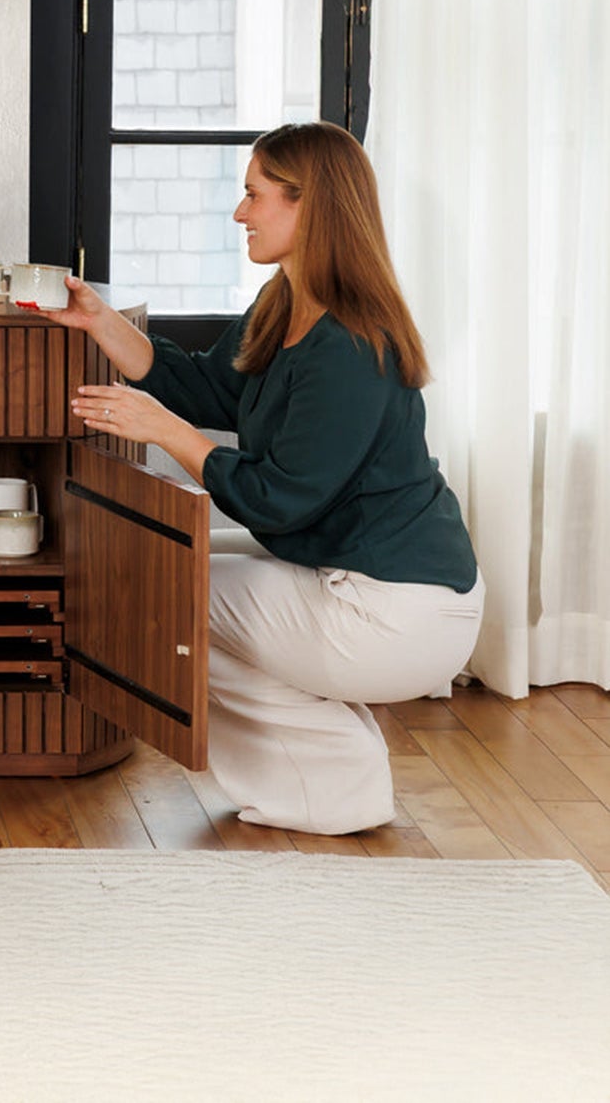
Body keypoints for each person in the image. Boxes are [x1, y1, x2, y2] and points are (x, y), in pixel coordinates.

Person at [35, 122, 483, 836]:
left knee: (168, 585)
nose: (240, 211)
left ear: (312, 206)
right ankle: (337, 771)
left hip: (400, 609)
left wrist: (163, 431)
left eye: (254, 194)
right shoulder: (288, 304)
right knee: (166, 565)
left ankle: (332, 783)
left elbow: (276, 501)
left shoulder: (349, 346)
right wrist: (101, 323)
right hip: (353, 571)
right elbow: (211, 389)